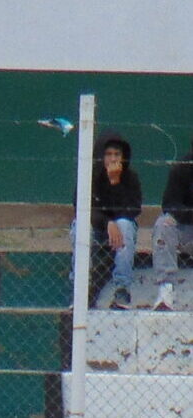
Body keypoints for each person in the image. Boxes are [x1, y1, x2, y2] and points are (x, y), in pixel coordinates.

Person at [79, 131, 143, 310]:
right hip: (98, 227)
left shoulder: (131, 178)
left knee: (125, 225)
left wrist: (115, 182)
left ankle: (122, 290)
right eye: (108, 154)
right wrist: (107, 223)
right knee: (79, 227)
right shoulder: (88, 176)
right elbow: (82, 209)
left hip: (121, 232)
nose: (113, 159)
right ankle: (79, 289)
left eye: (117, 154)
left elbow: (132, 210)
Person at [150, 133, 193, 310]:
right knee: (163, 224)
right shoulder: (182, 168)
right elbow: (169, 203)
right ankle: (166, 291)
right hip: (187, 231)